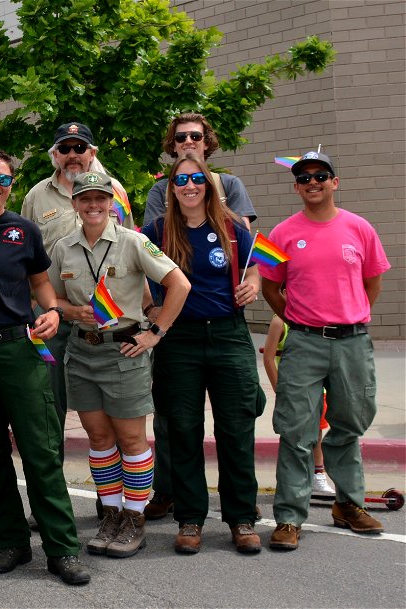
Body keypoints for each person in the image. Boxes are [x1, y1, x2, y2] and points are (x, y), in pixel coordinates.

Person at [0, 150, 89, 585]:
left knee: (41, 450)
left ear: (12, 184)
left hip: (20, 349)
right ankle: (10, 541)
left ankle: (62, 549)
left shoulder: (23, 230)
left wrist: (52, 310)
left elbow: (39, 284)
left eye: (4, 179)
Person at [48, 172, 190, 558]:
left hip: (124, 353)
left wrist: (155, 332)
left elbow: (180, 285)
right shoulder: (63, 247)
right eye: (84, 199)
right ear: (75, 204)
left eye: (100, 199)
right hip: (82, 352)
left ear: (111, 202)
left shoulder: (134, 242)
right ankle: (110, 513)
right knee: (99, 440)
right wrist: (70, 309)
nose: (93, 206)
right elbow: (48, 295)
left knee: (131, 441)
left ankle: (134, 517)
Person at [260, 151, 390, 550]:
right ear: (296, 187)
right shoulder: (279, 233)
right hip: (304, 343)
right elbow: (268, 286)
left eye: (321, 175)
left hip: (352, 342)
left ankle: (347, 504)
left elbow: (372, 283)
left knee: (351, 423)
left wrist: (349, 315)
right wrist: (299, 320)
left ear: (336, 182)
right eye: (304, 178)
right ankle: (288, 518)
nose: (312, 182)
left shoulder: (361, 228)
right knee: (297, 431)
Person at [141, 155, 265, 555]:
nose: (189, 185)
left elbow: (254, 266)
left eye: (197, 179)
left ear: (209, 186)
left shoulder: (231, 229)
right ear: (172, 189)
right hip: (179, 340)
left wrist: (253, 283)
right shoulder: (157, 231)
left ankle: (241, 517)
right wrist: (149, 310)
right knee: (183, 430)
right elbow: (133, 270)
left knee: (235, 430)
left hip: (229, 335)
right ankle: (191, 518)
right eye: (182, 181)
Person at [20, 122, 134, 472]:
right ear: (54, 154)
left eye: (79, 148)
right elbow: (25, 259)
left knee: (108, 413)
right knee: (47, 409)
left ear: (92, 153)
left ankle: (109, 501)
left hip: (106, 320)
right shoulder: (35, 197)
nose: (73, 155)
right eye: (65, 148)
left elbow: (131, 250)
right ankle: (51, 503)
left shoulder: (115, 191)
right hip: (53, 319)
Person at [263, 315, 335, 495]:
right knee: (293, 436)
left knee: (316, 433)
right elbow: (268, 358)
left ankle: (318, 475)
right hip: (293, 389)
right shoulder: (280, 321)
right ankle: (292, 481)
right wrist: (279, 390)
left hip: (319, 389)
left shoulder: (314, 315)